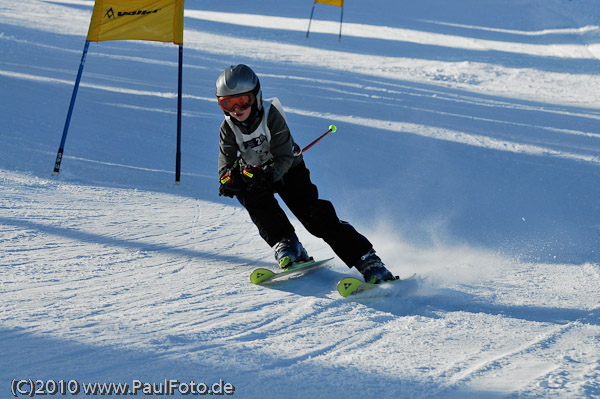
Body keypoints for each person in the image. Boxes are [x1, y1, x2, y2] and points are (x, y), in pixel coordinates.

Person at [216, 64, 396, 284]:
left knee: (314, 216)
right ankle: (287, 243)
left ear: (255, 96)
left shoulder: (270, 114)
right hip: (256, 175)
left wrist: (270, 174)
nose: (235, 109)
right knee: (250, 196)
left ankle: (367, 259)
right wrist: (227, 179)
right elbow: (226, 162)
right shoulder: (227, 128)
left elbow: (284, 156)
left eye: (242, 101)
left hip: (289, 170)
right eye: (227, 103)